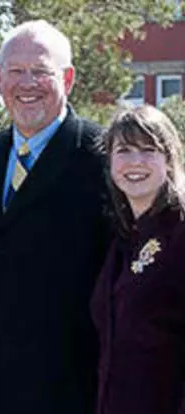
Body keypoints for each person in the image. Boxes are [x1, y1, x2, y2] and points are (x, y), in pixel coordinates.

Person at [0, 20, 110, 414]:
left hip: (68, 390)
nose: (28, 83)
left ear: (69, 79)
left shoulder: (103, 157)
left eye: (41, 71)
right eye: (16, 71)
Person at [91, 105, 185, 414]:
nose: (135, 162)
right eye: (124, 150)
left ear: (169, 160)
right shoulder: (122, 241)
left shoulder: (180, 233)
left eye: (148, 150)